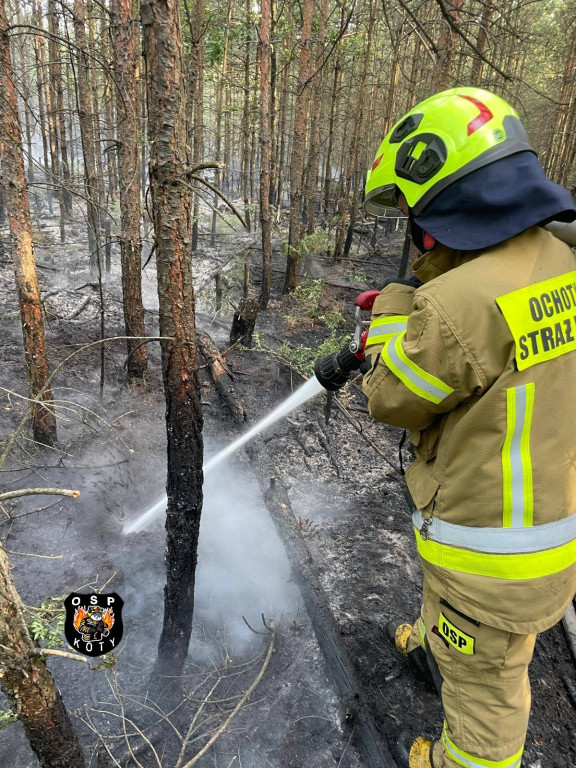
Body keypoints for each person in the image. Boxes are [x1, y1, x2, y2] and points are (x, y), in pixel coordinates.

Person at [350, 88, 576, 768]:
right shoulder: (558, 258)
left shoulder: (455, 305)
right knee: (472, 628)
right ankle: (432, 642)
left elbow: (390, 399)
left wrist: (395, 310)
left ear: (451, 205)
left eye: (414, 214)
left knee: (488, 690)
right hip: (541, 526)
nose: (413, 229)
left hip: (487, 549)